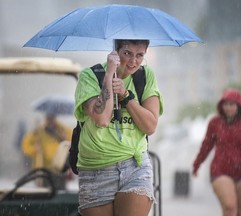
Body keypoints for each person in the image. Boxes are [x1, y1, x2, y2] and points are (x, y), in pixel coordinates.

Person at [74, 39, 163, 216]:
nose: (133, 62)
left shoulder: (145, 76)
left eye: (140, 55)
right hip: (95, 170)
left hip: (134, 166)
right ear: (115, 51)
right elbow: (102, 119)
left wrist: (126, 96)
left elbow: (150, 126)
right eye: (127, 53)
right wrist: (109, 75)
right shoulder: (89, 76)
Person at [192, 89, 241, 216]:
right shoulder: (215, 123)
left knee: (238, 212)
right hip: (220, 171)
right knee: (230, 206)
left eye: (232, 104)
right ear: (221, 105)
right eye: (225, 104)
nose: (228, 107)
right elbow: (206, 146)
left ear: (239, 106)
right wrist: (196, 164)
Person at [21, 114, 72, 189]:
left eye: (52, 118)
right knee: (45, 194)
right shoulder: (38, 131)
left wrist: (65, 138)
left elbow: (73, 143)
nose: (50, 120)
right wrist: (35, 149)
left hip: (59, 169)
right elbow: (25, 147)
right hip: (43, 170)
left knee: (60, 193)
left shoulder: (62, 129)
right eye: (48, 118)